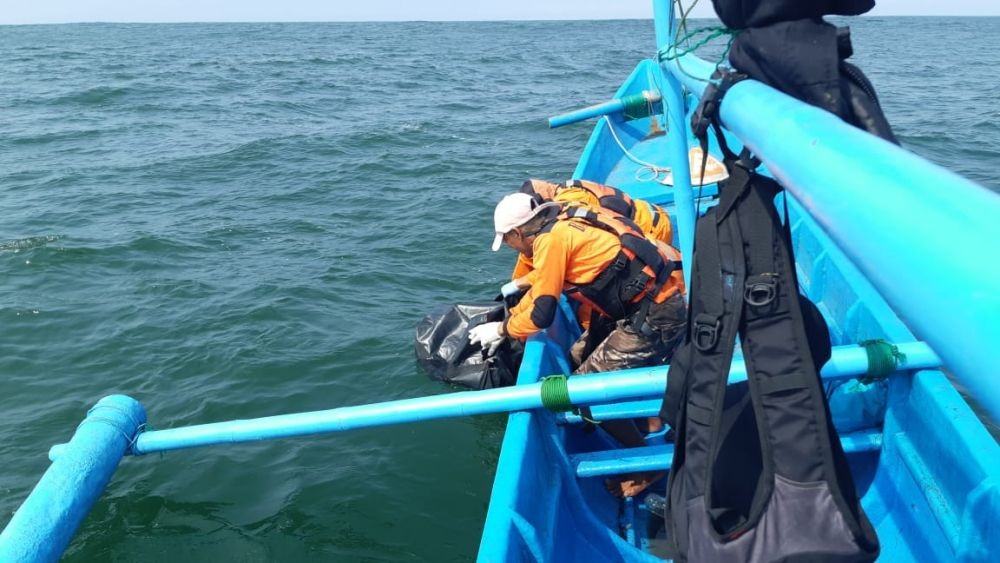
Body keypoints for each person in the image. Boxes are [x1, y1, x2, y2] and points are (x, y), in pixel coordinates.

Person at [469, 192, 687, 497]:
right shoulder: (563, 222)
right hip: (643, 303)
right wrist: (514, 310)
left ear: (518, 233)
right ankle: (646, 422)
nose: (509, 247)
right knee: (574, 358)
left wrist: (503, 329)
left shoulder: (549, 242)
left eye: (507, 240)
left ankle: (647, 464)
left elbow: (543, 314)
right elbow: (544, 285)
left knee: (584, 391)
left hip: (657, 314)